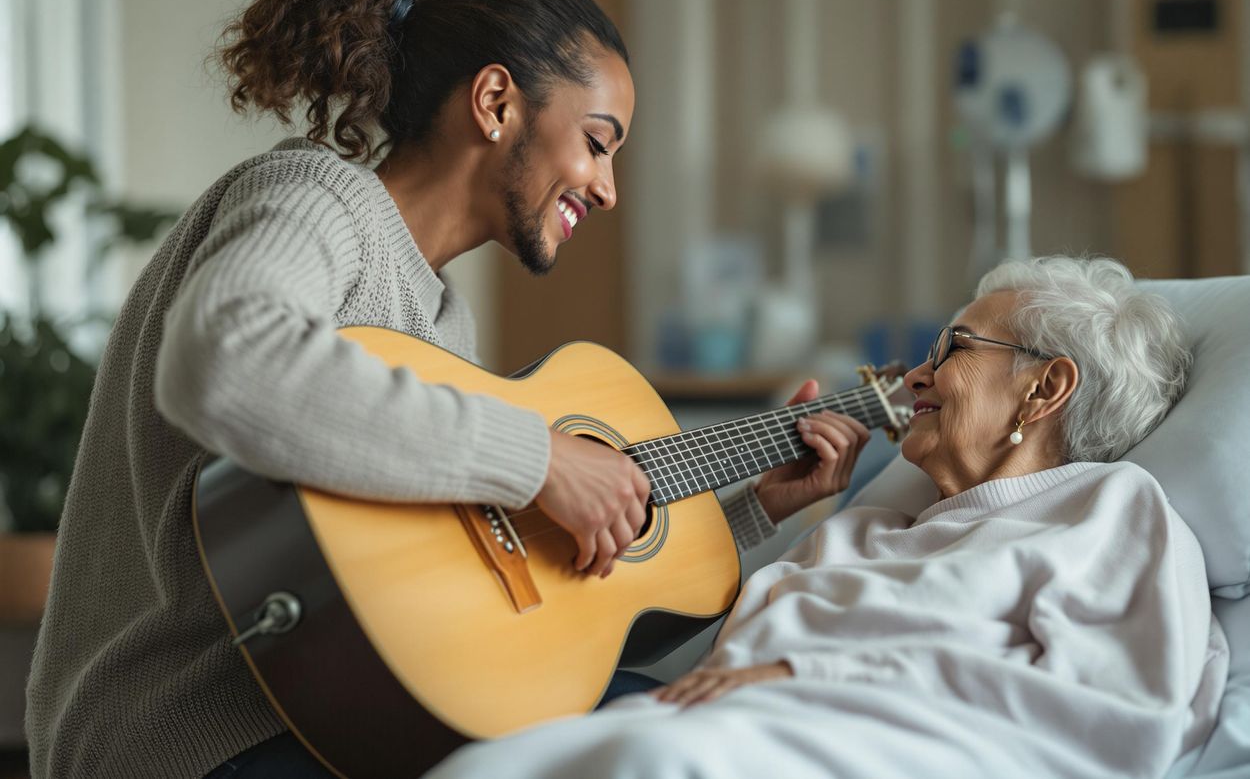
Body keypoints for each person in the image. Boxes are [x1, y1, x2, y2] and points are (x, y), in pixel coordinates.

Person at [23, 0, 870, 779]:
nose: (609, 189)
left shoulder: (441, 321)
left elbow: (512, 614)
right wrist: (538, 457)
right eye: (599, 142)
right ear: (497, 101)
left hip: (343, 715)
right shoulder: (318, 197)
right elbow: (224, 359)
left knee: (692, 718)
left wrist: (750, 511)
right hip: (189, 733)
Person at [426, 256, 1229, 779]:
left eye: (953, 349)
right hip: (714, 727)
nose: (916, 373)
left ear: (1045, 388)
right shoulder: (868, 525)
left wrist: (804, 673)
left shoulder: (1111, 512)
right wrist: (763, 512)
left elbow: (1128, 717)